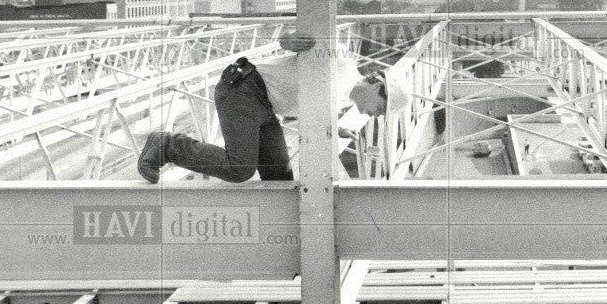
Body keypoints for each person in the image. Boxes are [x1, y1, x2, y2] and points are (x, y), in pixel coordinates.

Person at [136, 33, 410, 184]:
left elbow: (307, 116)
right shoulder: (341, 60)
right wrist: (290, 39)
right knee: (240, 168)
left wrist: (333, 128)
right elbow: (294, 39)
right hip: (243, 88)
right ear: (376, 85)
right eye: (382, 109)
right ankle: (167, 145)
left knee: (279, 176)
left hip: (265, 105)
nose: (376, 115)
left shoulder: (341, 101)